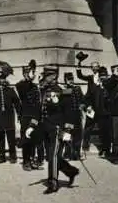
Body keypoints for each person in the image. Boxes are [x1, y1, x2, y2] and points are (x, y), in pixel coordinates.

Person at [25, 66, 79, 194]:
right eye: (45, 75)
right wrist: (32, 126)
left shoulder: (64, 92)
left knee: (53, 155)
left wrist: (68, 130)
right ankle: (71, 171)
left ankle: (53, 182)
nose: (44, 77)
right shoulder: (43, 90)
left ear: (54, 76)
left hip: (57, 128)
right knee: (50, 157)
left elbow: (69, 112)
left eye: (47, 75)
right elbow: (38, 111)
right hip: (45, 128)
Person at [0, 72, 22, 163]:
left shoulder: (10, 90)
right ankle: (1, 156)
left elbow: (17, 103)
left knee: (11, 138)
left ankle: (13, 156)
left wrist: (19, 114)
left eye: (4, 78)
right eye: (0, 79)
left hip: (9, 116)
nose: (2, 80)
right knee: (0, 138)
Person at [16, 60, 44, 171]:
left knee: (34, 139)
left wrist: (38, 116)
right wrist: (28, 78)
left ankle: (32, 160)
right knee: (26, 139)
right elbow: (23, 91)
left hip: (35, 116)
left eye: (32, 72)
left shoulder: (35, 86)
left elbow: (38, 103)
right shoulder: (20, 85)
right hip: (26, 117)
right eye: (28, 72)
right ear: (24, 74)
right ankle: (26, 161)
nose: (31, 74)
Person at [61, 72, 85, 161]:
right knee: (67, 136)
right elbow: (62, 105)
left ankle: (76, 154)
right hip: (68, 118)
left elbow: (83, 99)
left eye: (71, 79)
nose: (70, 81)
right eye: (68, 79)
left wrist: (82, 105)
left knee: (78, 136)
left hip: (77, 117)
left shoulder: (78, 89)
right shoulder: (64, 91)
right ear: (65, 81)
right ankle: (67, 154)